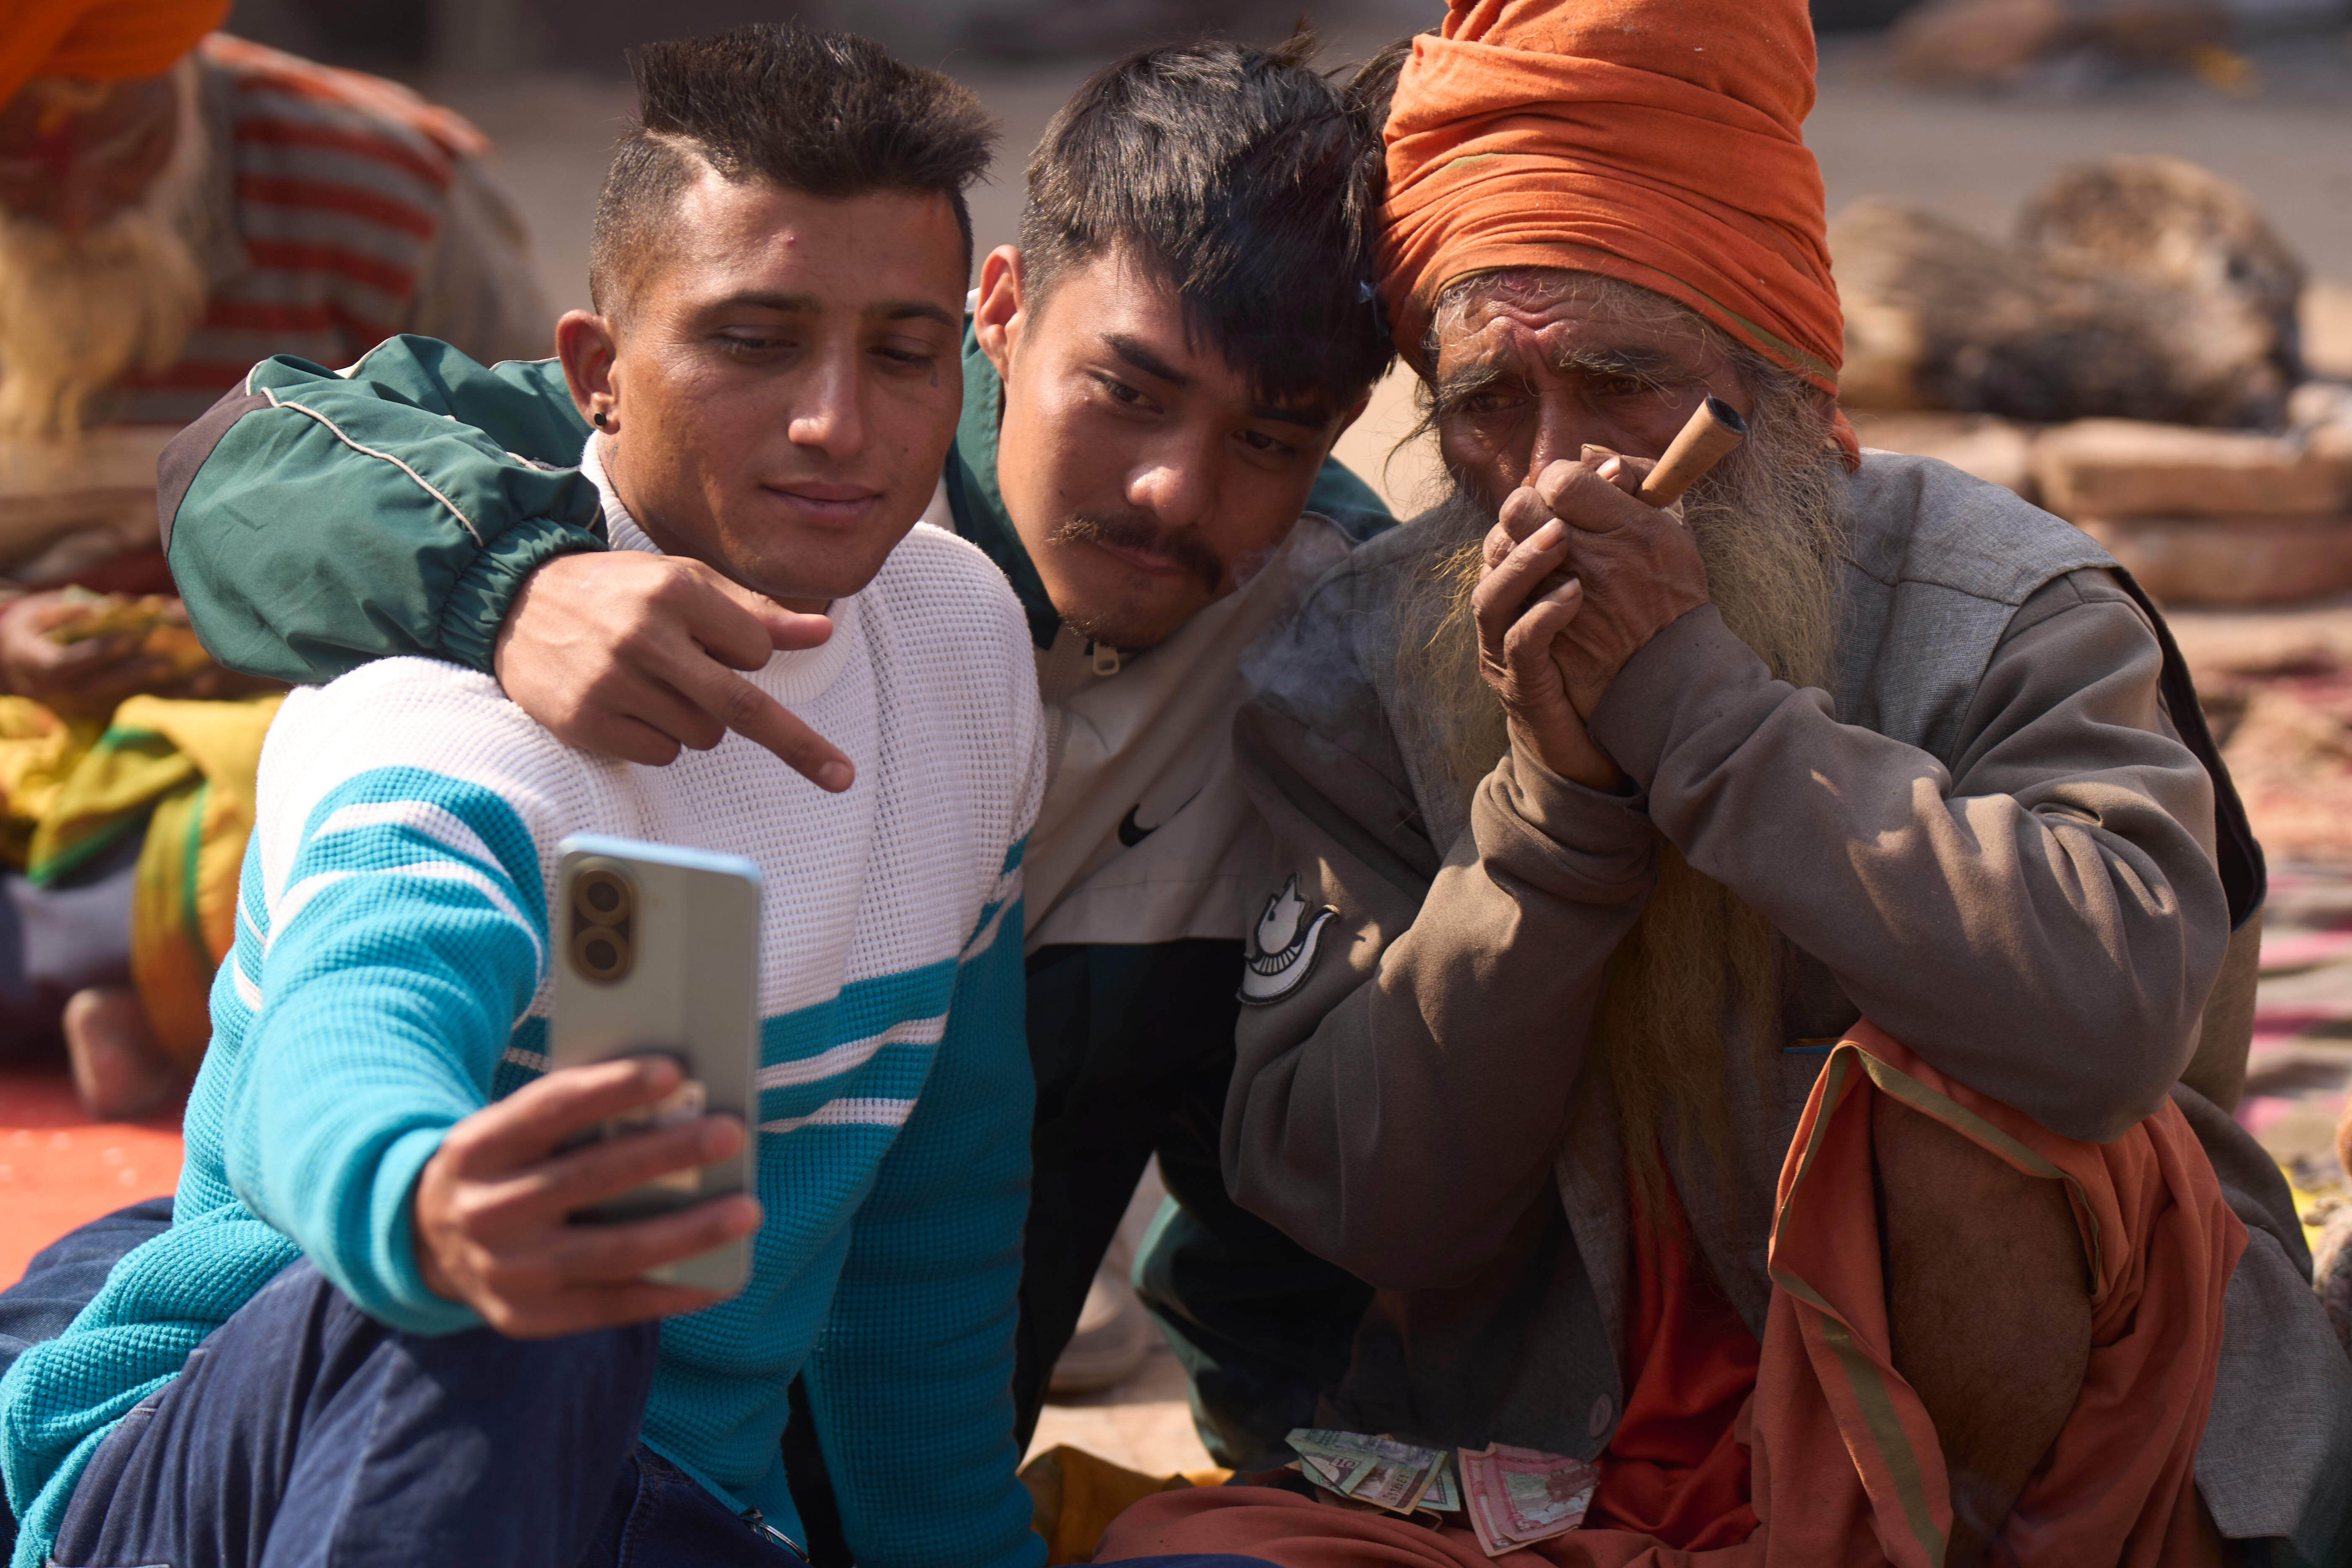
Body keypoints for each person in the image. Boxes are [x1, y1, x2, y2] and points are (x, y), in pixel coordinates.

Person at [1093, 3, 2352, 1564]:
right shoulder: (1355, 665)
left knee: (1939, 1107)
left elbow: (2108, 1038)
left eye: (1625, 386)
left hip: (2032, 1473)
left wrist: (1708, 721)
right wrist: (1556, 824)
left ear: (1796, 406)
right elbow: (1359, 1207)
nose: (1553, 477)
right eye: (1490, 406)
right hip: (1572, 1464)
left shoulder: (2004, 602)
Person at [140, 32, 1396, 1469]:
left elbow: (1254, 1211)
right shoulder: (718, 472)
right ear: (1003, 311)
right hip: (478, 1371)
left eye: (1272, 440)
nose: (1175, 485)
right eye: (1128, 389)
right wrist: (513, 586)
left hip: (888, 1416)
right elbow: (237, 464)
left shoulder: (1326, 644)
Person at [0, 26, 1073, 1568]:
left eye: (901, 352)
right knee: (550, 1281)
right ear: (596, 375)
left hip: (655, 1509)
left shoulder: (960, 646)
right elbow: (353, 1036)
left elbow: (931, 1230)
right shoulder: (467, 697)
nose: (839, 421)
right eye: (755, 341)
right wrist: (430, 1204)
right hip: (258, 1482)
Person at [0, 0, 549, 1115]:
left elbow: (536, 515)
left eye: (109, 141)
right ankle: (150, 986)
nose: (70, 199)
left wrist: (230, 648)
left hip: (283, 716)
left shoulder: (387, 191)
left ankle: (133, 971)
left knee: (414, 786)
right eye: (14, 160)